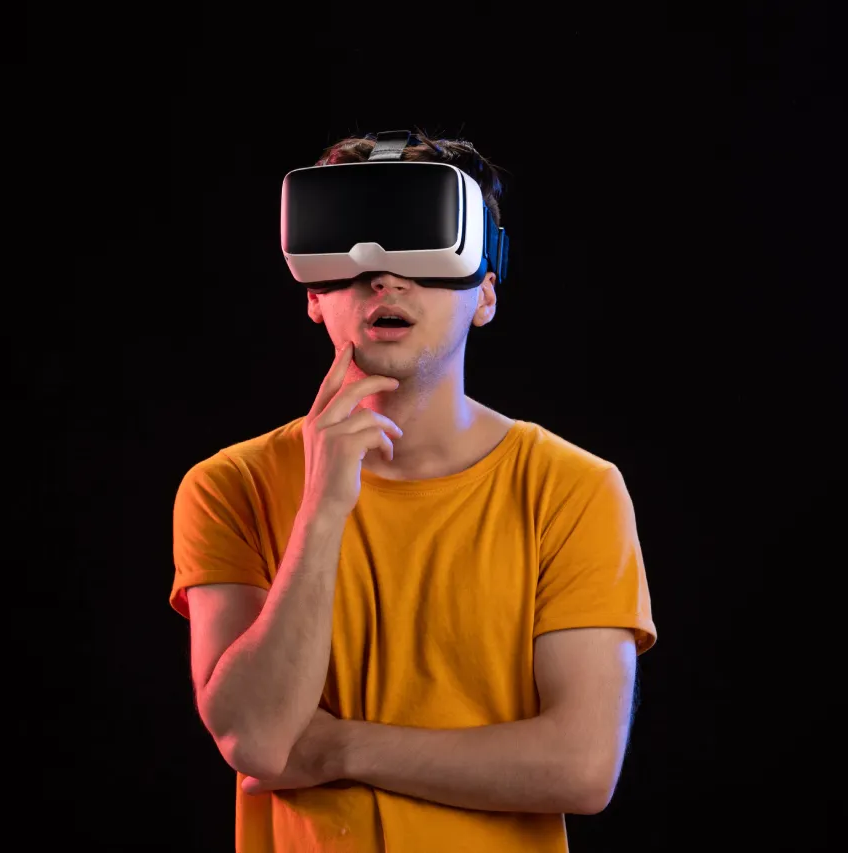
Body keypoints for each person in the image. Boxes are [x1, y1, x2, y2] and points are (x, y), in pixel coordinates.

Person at [170, 130, 657, 852]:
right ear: (315, 297)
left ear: (485, 294)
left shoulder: (573, 489)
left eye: (421, 251)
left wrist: (340, 749)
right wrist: (324, 505)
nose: (384, 279)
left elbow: (582, 766)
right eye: (356, 253)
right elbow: (258, 738)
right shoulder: (228, 487)